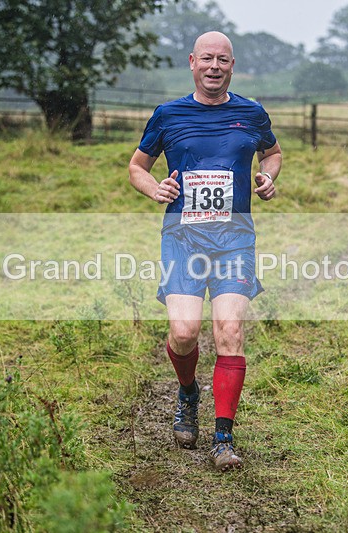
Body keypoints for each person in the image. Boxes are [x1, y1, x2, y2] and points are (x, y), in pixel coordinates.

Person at [128, 31, 282, 472]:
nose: (215, 67)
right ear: (192, 62)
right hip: (183, 238)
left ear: (233, 66)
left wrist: (269, 177)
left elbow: (272, 153)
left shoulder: (251, 113)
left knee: (229, 331)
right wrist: (154, 187)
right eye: (207, 59)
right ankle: (189, 393)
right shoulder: (169, 114)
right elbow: (137, 166)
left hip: (235, 239)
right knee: (183, 332)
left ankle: (224, 437)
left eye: (224, 60)